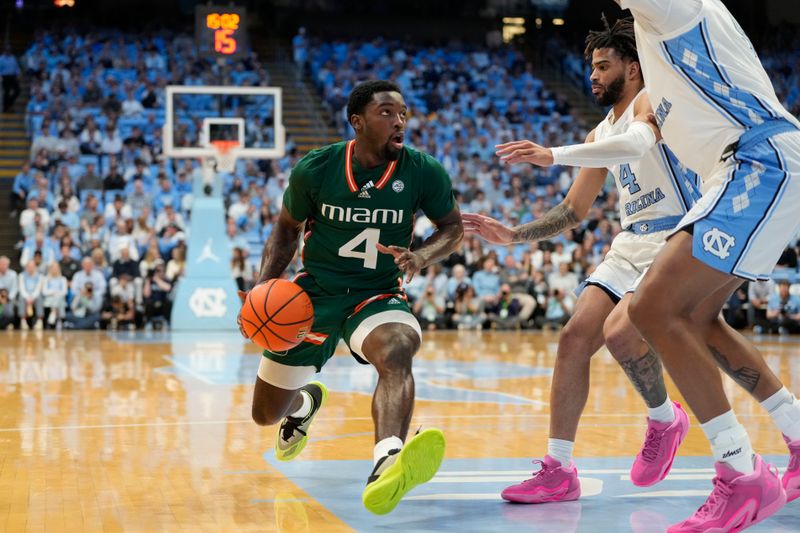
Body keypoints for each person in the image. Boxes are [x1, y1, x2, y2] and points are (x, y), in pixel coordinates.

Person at [462, 17, 702, 503]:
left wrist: (552, 154)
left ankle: (663, 419)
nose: (592, 75)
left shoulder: (651, 100)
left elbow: (638, 142)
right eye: (590, 67)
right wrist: (515, 235)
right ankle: (558, 469)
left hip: (676, 236)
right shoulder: (597, 134)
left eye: (602, 66)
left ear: (632, 68)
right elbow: (573, 210)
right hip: (630, 242)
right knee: (573, 339)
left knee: (619, 334)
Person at [238, 80, 463, 515]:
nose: (399, 121)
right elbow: (287, 228)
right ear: (357, 121)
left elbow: (452, 227)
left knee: (397, 351)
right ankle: (305, 402)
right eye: (386, 113)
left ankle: (388, 459)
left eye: (403, 114)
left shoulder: (423, 170)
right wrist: (265, 286)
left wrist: (420, 255)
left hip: (376, 294)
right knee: (265, 416)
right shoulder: (317, 168)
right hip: (311, 295)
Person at [616, 0, 800, 529]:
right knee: (696, 319)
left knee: (652, 309)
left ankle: (743, 474)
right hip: (745, 167)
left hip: (755, 161)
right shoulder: (655, 43)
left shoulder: (673, 7)